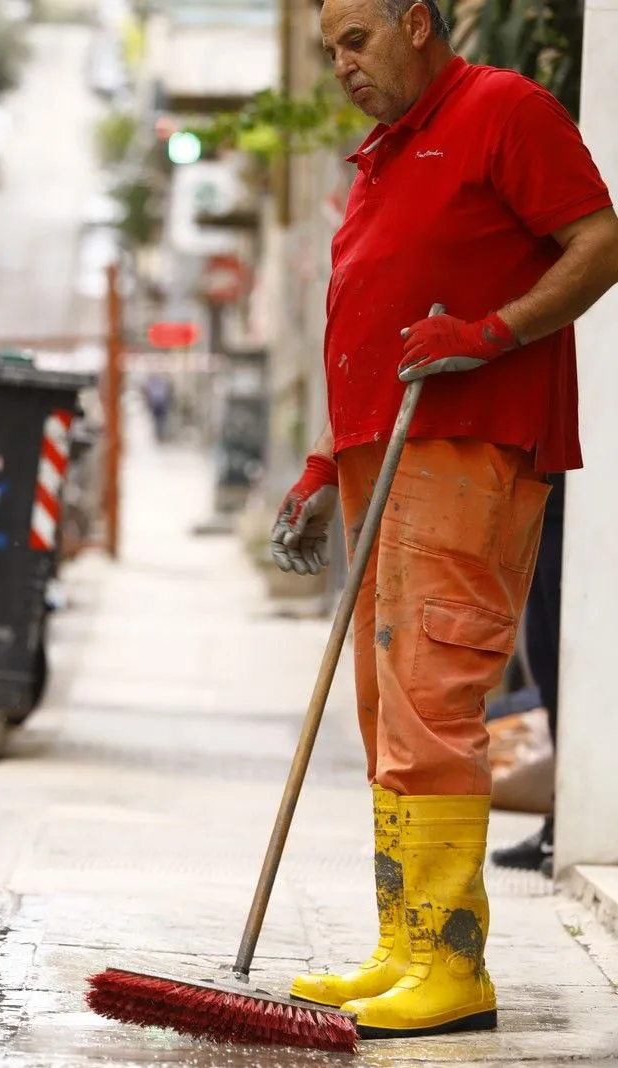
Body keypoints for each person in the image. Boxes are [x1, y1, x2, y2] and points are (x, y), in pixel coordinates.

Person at [269, 0, 618, 1039]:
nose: (342, 65)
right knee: (388, 709)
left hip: (464, 444)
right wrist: (321, 463)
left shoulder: (502, 109)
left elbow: (599, 241)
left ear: (417, 22)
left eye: (356, 40)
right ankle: (407, 947)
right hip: (381, 452)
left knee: (432, 696)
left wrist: (491, 332)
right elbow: (374, 328)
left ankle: (452, 964)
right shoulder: (383, 154)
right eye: (330, 50)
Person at [491, 472, 564, 876]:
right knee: (547, 667)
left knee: (568, 678)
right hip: (541, 505)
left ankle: (568, 819)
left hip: (578, 512)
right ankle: (561, 818)